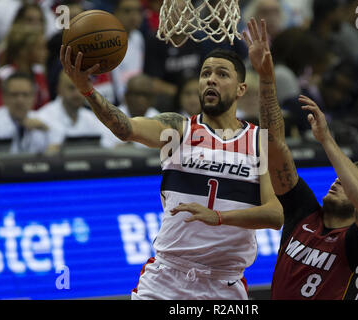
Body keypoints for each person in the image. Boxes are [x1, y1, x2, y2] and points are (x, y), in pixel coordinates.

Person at [60, 42, 283, 300]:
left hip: (224, 284)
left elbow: (275, 215)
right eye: (205, 73)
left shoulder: (256, 141)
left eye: (222, 74)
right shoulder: (178, 129)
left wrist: (218, 216)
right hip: (167, 280)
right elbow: (125, 128)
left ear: (241, 88)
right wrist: (87, 89)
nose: (211, 79)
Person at [243, 18, 358, 299]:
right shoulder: (304, 212)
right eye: (339, 178)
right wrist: (265, 77)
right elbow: (275, 148)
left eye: (348, 182)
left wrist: (326, 139)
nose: (337, 182)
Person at [0, 72, 62, 154]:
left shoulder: (42, 120)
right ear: (4, 97)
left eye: (25, 95)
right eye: (14, 95)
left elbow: (60, 142)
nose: (20, 100)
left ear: (34, 97)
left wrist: (45, 129)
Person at [37, 71, 105, 141]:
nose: (78, 94)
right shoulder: (42, 119)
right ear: (59, 89)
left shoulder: (91, 119)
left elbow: (109, 145)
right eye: (71, 88)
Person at [100, 73, 160, 149]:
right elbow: (103, 147)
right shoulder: (111, 117)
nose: (141, 100)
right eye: (136, 94)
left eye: (145, 95)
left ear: (152, 99)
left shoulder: (159, 120)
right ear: (126, 96)